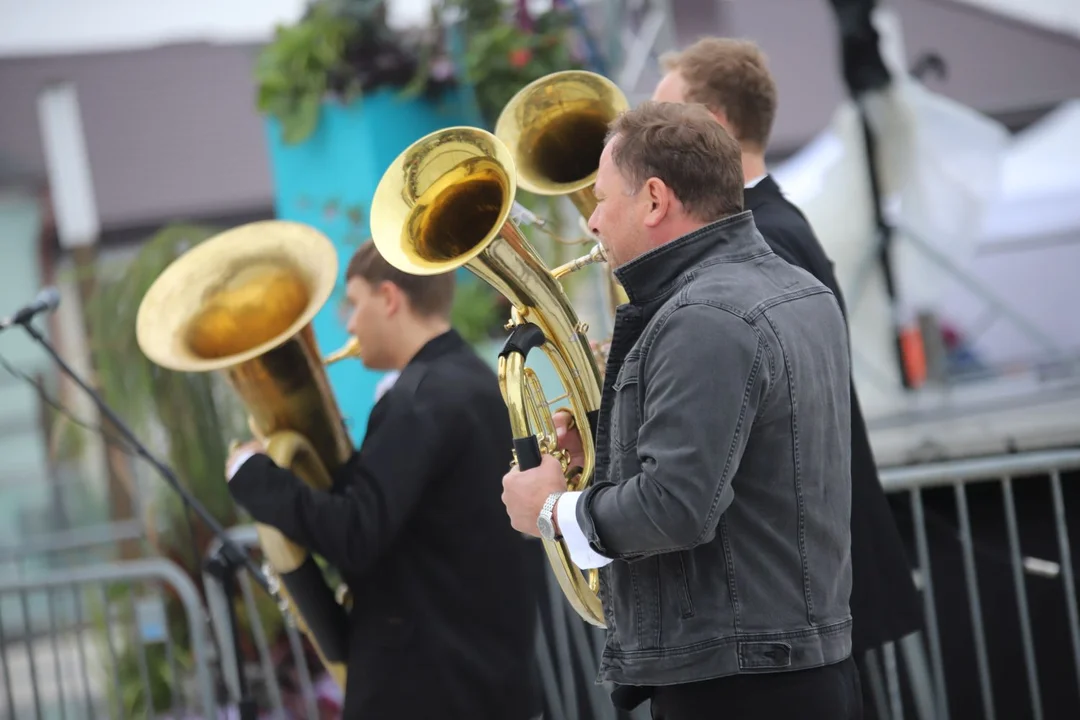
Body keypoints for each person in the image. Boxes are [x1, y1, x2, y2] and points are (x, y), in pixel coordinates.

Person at [501, 101, 862, 719]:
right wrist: (614, 445)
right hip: (788, 668)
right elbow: (752, 466)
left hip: (740, 685)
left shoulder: (703, 317)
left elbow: (674, 508)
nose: (590, 222)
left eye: (602, 199)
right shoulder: (799, 289)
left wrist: (550, 510)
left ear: (655, 200)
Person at [651, 36, 924, 700]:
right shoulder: (770, 223)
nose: (648, 140)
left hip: (804, 587)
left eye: (665, 121)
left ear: (713, 126)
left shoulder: (761, 235)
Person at [226, 242, 542, 719]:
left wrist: (251, 475)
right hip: (480, 680)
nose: (349, 325)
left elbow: (355, 533)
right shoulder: (471, 379)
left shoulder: (419, 399)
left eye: (354, 304)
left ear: (390, 298)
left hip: (429, 690)